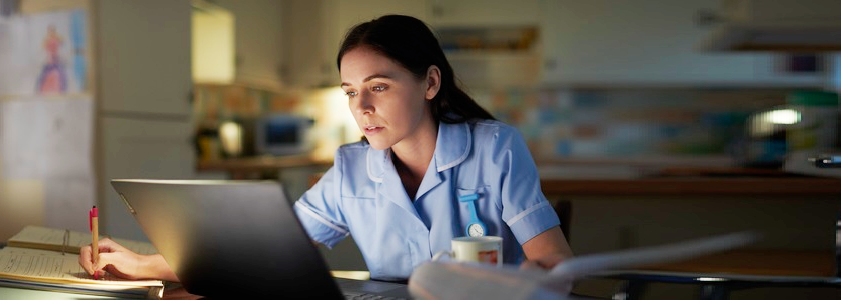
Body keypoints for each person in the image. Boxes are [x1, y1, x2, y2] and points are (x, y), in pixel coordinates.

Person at [80, 14, 572, 282]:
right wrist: (148, 265)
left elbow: (556, 267)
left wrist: (528, 284)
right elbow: (259, 252)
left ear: (430, 83)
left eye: (378, 86)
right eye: (350, 91)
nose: (361, 106)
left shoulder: (497, 149)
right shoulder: (351, 170)